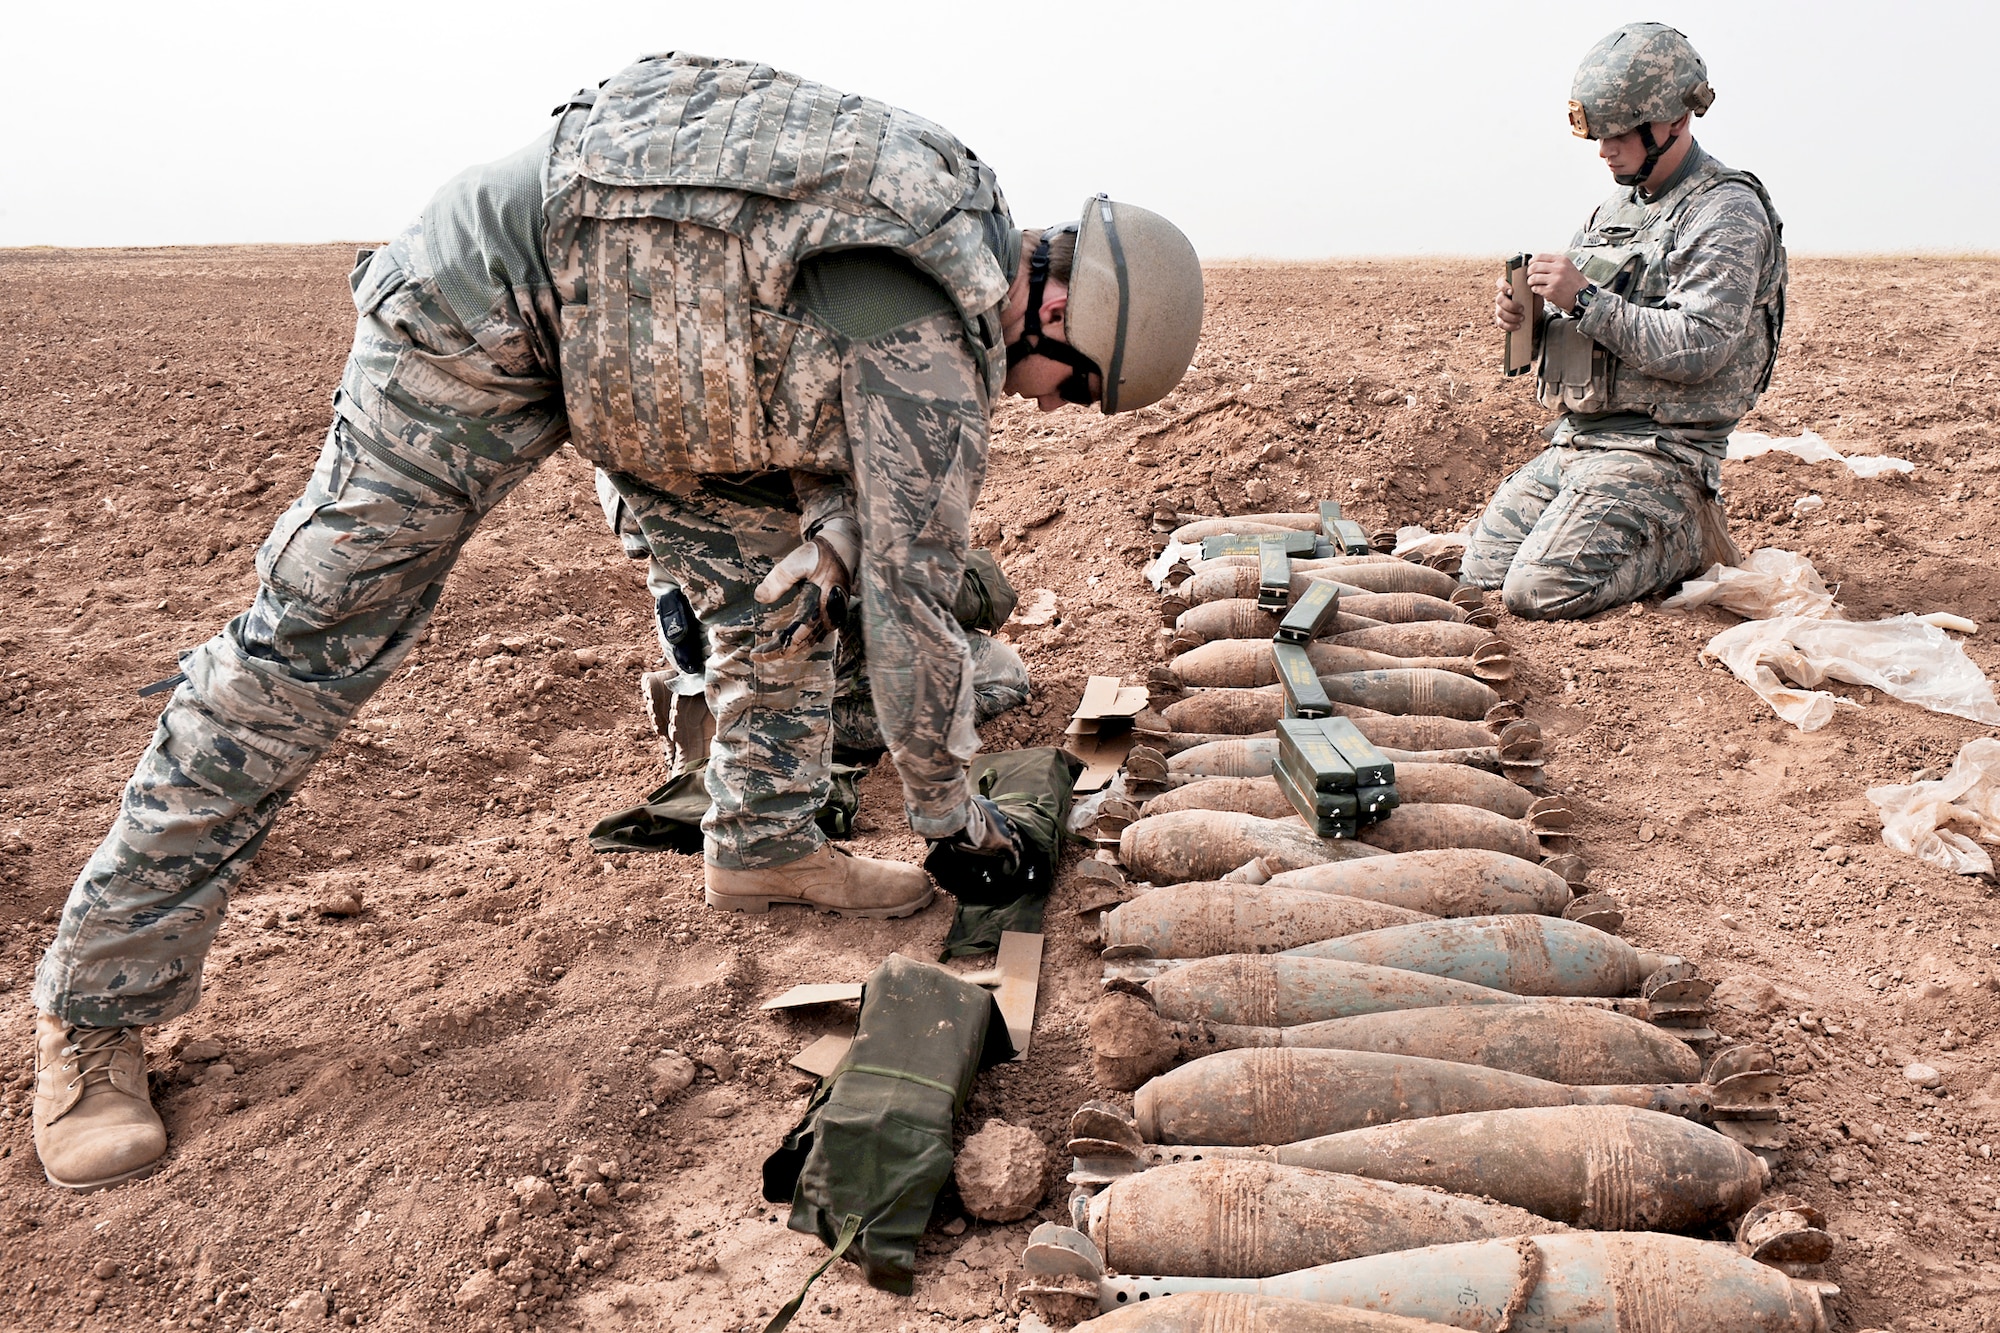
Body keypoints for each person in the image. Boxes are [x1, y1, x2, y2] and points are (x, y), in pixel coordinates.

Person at [29, 51, 1204, 1193]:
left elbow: (817, 401)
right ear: (1059, 309)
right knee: (307, 645)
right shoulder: (938, 340)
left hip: (658, 363)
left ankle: (763, 843)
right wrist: (960, 824)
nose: (1048, 409)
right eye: (1077, 388)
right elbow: (913, 617)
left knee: (777, 597)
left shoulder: (957, 218)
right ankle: (94, 1008)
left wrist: (833, 541)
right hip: (493, 300)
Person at [1464, 22, 1787, 619]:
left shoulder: (1725, 211)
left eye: (1619, 133)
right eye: (1599, 134)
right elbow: (1592, 327)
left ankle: (1690, 530)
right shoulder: (1615, 208)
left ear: (1674, 121)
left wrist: (1584, 298)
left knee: (1537, 592)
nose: (1605, 149)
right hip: (1580, 443)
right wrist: (1531, 321)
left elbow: (1701, 345)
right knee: (1479, 576)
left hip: (1662, 453)